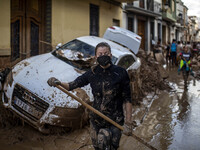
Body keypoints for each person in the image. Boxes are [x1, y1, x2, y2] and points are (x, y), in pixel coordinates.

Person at [47, 42, 133, 150]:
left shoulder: (120, 73)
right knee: (97, 146)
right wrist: (58, 83)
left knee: (106, 143)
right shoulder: (92, 73)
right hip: (96, 119)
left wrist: (128, 122)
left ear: (110, 55)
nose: (103, 56)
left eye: (105, 53)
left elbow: (127, 99)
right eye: (100, 54)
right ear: (96, 56)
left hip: (114, 121)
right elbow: (71, 85)